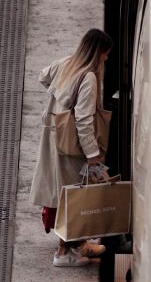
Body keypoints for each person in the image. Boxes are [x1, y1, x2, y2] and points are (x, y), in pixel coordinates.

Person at [30, 28, 113, 267]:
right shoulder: (88, 77)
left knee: (62, 193)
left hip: (54, 138)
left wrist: (59, 100)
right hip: (72, 146)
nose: (106, 59)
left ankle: (78, 244)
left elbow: (43, 76)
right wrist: (93, 155)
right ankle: (65, 253)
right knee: (74, 197)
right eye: (105, 54)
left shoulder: (66, 63)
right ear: (98, 52)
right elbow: (84, 120)